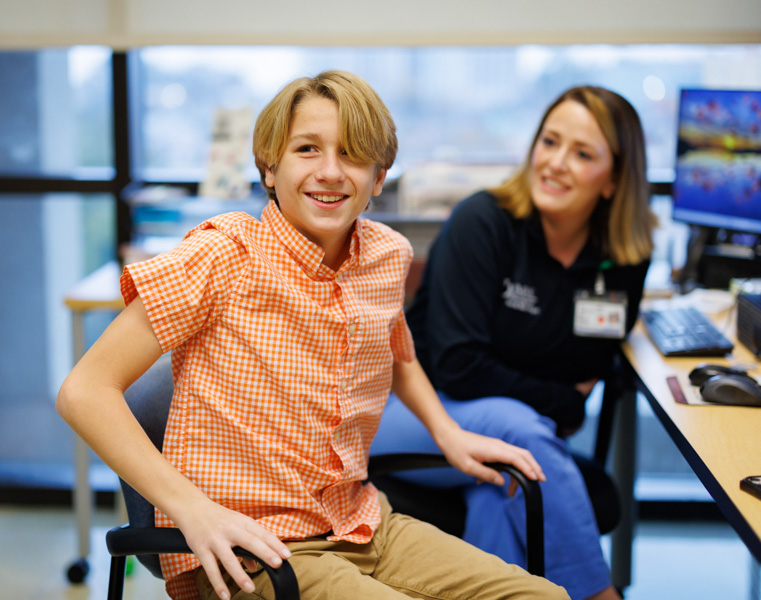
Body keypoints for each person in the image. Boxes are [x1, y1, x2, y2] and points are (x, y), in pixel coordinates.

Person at [57, 70, 569, 600]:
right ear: (270, 166)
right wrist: (192, 509)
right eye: (307, 149)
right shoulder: (223, 255)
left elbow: (395, 351)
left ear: (379, 176)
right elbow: (84, 392)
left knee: (545, 596)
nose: (330, 172)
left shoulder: (386, 255)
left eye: (351, 154)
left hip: (364, 525)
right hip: (253, 552)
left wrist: (448, 433)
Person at [371, 85, 655, 600]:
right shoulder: (483, 223)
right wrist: (561, 398)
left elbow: (590, 361)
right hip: (405, 411)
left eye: (583, 153)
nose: (556, 163)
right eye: (550, 142)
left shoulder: (623, 258)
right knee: (518, 430)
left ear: (614, 179)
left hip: (510, 435)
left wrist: (556, 399)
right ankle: (599, 594)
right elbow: (459, 366)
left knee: (505, 489)